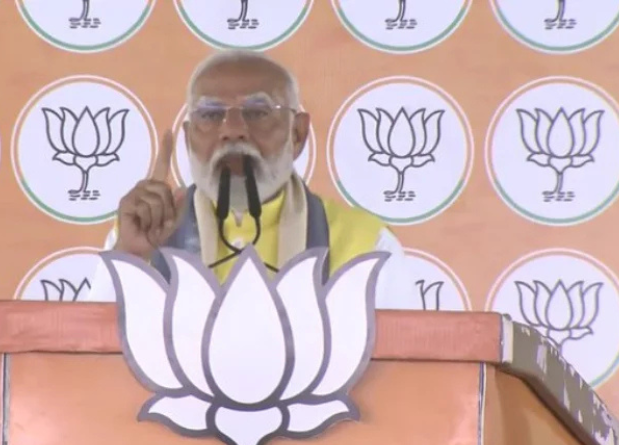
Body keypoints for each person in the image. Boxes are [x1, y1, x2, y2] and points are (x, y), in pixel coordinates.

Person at [88, 49, 414, 308]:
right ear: (188, 139)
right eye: (211, 114)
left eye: (258, 112)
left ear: (297, 134)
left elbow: (403, 367)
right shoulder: (143, 230)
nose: (232, 130)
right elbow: (90, 358)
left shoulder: (367, 245)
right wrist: (130, 258)